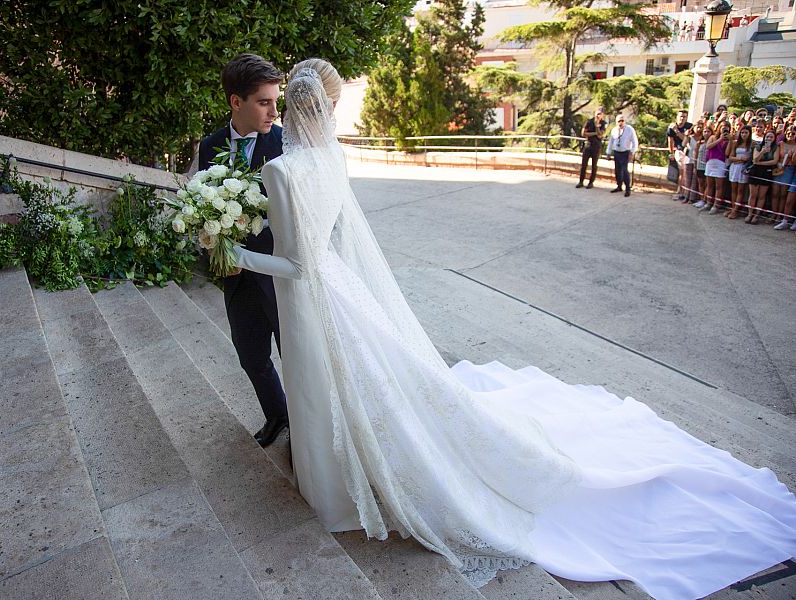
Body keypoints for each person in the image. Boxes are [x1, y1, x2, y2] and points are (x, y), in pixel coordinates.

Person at [234, 58, 796, 600]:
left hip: (314, 294)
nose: (273, 111)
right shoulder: (333, 160)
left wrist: (237, 252)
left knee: (324, 386)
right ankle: (334, 476)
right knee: (346, 386)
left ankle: (332, 486)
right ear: (328, 110)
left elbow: (299, 264)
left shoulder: (280, 170)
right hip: (339, 290)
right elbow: (319, 248)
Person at [196, 54, 289, 447]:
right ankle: (278, 415)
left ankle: (307, 426)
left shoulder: (285, 143)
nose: (273, 110)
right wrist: (216, 252)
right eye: (264, 102)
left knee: (295, 356)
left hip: (279, 272)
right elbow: (204, 207)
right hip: (235, 277)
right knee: (251, 356)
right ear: (237, 102)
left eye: (275, 100)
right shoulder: (210, 145)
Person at [745, 130, 781, 224]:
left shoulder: (776, 148)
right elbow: (755, 159)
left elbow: (774, 161)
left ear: (774, 138)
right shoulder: (758, 146)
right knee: (753, 194)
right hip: (755, 172)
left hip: (766, 172)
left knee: (761, 195)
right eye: (767, 136)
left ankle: (756, 215)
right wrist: (762, 151)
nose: (769, 138)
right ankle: (750, 214)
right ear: (764, 137)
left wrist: (760, 163)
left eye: (771, 137)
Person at [606, 114, 637, 197]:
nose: (621, 123)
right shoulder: (614, 130)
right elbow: (611, 142)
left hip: (625, 152)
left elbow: (635, 142)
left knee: (624, 171)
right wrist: (608, 152)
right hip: (617, 152)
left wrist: (632, 152)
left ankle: (628, 189)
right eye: (619, 121)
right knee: (617, 171)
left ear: (625, 121)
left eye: (622, 121)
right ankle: (619, 186)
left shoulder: (630, 129)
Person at [701, 123, 730, 213]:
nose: (724, 129)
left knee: (719, 186)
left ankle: (716, 205)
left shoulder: (729, 140)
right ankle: (708, 203)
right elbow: (708, 146)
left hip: (720, 163)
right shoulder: (713, 137)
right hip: (711, 161)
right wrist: (720, 139)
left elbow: (727, 153)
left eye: (726, 128)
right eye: (722, 128)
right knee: (709, 185)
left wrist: (729, 141)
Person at [575, 107, 606, 189]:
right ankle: (581, 182)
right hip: (588, 145)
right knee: (584, 165)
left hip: (596, 147)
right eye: (597, 113)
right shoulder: (589, 121)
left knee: (594, 166)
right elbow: (583, 133)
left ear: (602, 115)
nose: (598, 115)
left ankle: (591, 182)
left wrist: (597, 126)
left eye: (600, 114)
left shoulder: (603, 123)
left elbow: (600, 135)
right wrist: (595, 133)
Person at [726, 125, 752, 219]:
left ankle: (735, 210)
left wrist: (741, 160)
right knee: (733, 189)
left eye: (746, 133)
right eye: (742, 132)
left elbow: (748, 159)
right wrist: (740, 158)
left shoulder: (751, 145)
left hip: (743, 169)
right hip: (734, 167)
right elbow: (730, 157)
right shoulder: (735, 143)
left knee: (740, 190)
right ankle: (733, 208)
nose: (744, 135)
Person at [668, 110, 692, 200]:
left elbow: (686, 140)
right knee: (681, 171)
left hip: (687, 150)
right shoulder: (671, 126)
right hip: (679, 150)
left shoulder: (689, 126)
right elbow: (670, 140)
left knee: (685, 172)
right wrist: (671, 153)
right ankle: (680, 190)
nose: (682, 118)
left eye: (684, 117)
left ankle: (682, 191)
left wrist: (676, 131)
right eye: (680, 116)